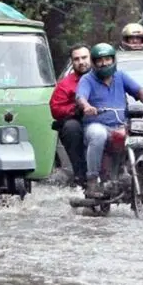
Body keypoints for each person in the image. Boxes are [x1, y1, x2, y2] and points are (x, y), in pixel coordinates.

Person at [76, 42, 143, 198]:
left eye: (107, 59)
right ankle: (92, 181)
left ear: (113, 60)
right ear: (93, 62)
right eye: (100, 60)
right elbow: (81, 97)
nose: (104, 63)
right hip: (98, 125)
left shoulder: (120, 76)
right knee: (97, 135)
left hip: (122, 125)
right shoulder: (87, 79)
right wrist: (87, 106)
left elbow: (139, 91)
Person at [49, 44, 91, 187]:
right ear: (72, 62)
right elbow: (55, 108)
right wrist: (74, 109)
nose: (81, 62)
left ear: (91, 58)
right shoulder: (65, 84)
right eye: (77, 59)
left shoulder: (105, 77)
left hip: (105, 119)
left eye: (84, 57)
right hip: (78, 122)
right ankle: (81, 175)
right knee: (71, 128)